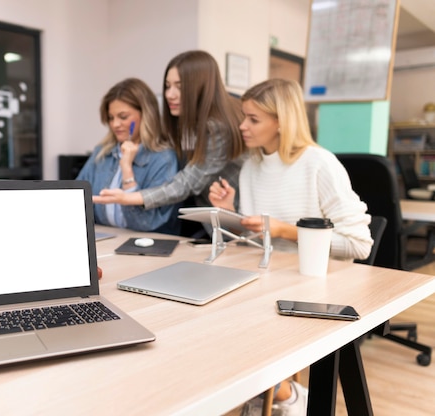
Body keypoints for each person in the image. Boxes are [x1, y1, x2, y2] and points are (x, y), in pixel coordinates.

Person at [208, 78, 373, 416]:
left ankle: (282, 394)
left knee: (237, 319)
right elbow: (259, 242)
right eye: (244, 117)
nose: (242, 126)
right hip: (273, 278)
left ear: (280, 121)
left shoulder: (319, 164)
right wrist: (230, 214)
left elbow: (359, 245)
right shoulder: (252, 166)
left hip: (319, 284)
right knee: (210, 309)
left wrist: (288, 231)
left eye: (253, 119)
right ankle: (279, 392)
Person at [93, 51, 246, 229]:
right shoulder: (103, 152)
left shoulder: (218, 127)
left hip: (238, 219)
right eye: (167, 86)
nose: (169, 95)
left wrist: (130, 197)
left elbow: (187, 183)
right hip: (215, 221)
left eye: (179, 87)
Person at [76, 78, 180, 234]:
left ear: (146, 115)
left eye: (123, 117)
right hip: (107, 240)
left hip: (148, 247)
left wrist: (127, 170)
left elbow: (148, 224)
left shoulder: (163, 159)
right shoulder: (102, 153)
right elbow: (78, 201)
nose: (115, 124)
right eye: (111, 118)